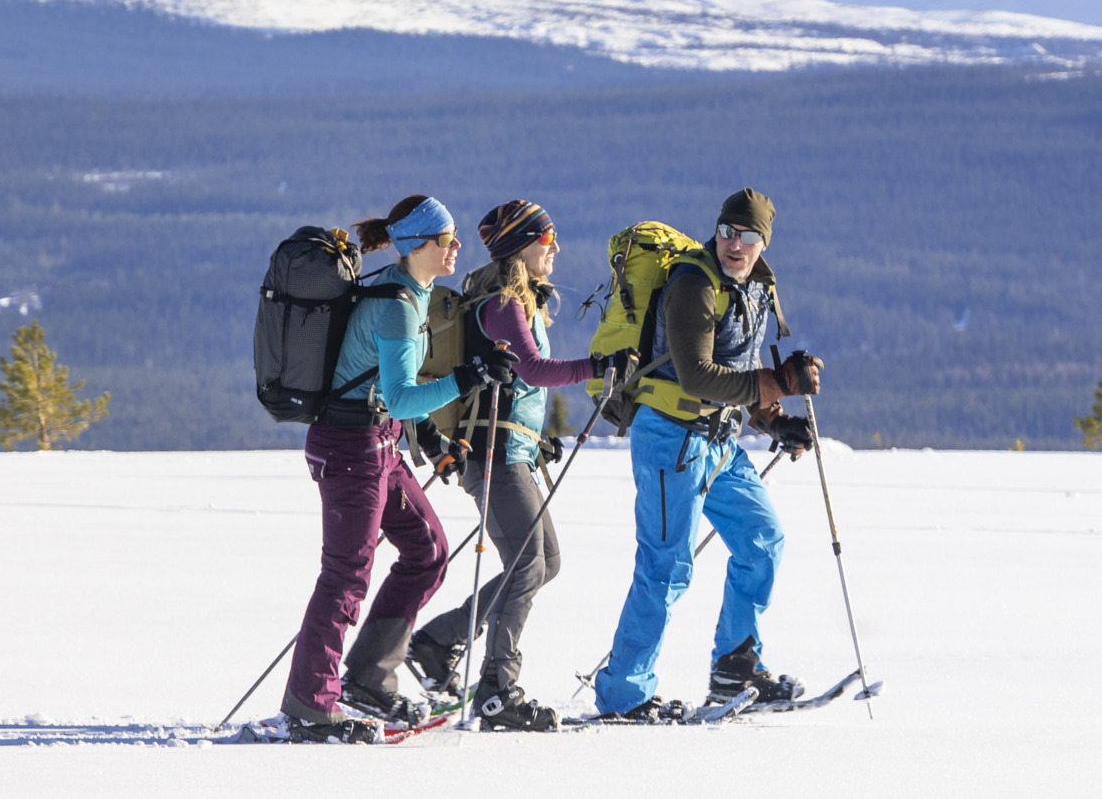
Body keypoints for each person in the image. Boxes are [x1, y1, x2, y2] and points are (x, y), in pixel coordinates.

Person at [280, 194, 515, 743]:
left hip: (376, 444)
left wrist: (429, 437)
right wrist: (469, 375)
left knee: (427, 549)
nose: (457, 248)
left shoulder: (407, 289)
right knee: (345, 575)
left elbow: (391, 397)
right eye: (448, 240)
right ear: (420, 246)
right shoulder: (398, 306)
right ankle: (311, 701)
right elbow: (403, 396)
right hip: (350, 450)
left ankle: (367, 675)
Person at [587, 188, 825, 723]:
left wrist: (773, 420)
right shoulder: (693, 283)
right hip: (670, 437)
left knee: (762, 537)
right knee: (667, 563)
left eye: (746, 236)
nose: (733, 245)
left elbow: (734, 375)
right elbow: (696, 374)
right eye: (726, 232)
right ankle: (625, 695)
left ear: (764, 242)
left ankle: (735, 668)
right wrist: (778, 380)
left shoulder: (756, 288)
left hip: (719, 440)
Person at [405, 200, 630, 732]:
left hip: (514, 452)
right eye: (546, 240)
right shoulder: (504, 302)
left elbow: (518, 387)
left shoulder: (520, 303)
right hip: (495, 459)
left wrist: (537, 439)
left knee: (544, 563)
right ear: (521, 246)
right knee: (529, 565)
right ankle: (497, 687)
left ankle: (439, 640)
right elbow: (532, 368)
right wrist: (597, 368)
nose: (554, 249)